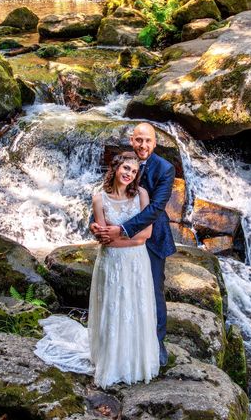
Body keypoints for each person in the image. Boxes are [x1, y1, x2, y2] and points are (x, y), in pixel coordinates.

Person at [35, 152, 159, 388]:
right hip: (111, 261)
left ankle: (134, 361)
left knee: (134, 305)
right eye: (125, 168)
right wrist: (129, 240)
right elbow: (105, 240)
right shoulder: (99, 199)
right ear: (116, 168)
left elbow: (147, 234)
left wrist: (127, 240)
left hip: (136, 262)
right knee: (113, 307)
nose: (128, 174)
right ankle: (111, 361)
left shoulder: (141, 195)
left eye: (133, 171)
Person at [91, 122, 177, 366]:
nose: (143, 145)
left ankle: (157, 343)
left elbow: (155, 208)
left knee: (153, 290)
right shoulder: (124, 161)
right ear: (132, 140)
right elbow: (108, 193)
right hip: (117, 240)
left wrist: (123, 230)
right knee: (123, 290)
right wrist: (94, 225)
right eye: (139, 140)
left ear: (155, 143)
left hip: (153, 238)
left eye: (148, 141)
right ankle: (121, 345)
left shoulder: (165, 169)